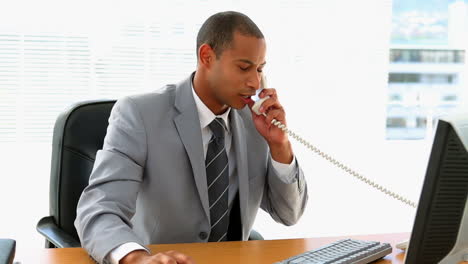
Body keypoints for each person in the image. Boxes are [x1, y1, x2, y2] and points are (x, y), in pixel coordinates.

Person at [75, 11, 308, 264]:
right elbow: (99, 210)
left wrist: (279, 145)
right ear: (206, 56)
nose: (255, 82)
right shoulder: (139, 114)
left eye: (260, 69)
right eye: (244, 67)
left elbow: (289, 214)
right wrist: (136, 258)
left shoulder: (255, 122)